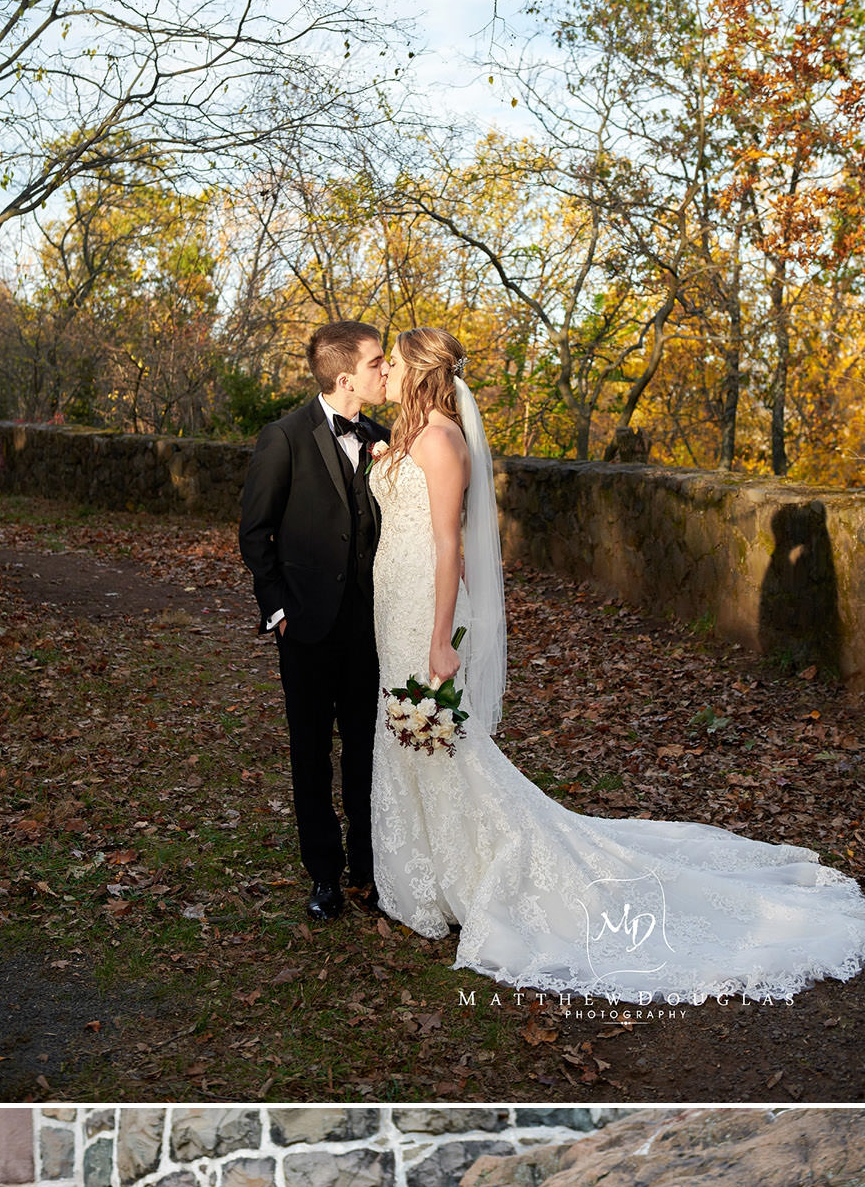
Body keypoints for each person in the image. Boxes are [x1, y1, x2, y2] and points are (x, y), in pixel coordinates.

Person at [370, 325, 865, 998]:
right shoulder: (405, 436)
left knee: (439, 740)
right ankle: (419, 877)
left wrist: (437, 639)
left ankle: (466, 876)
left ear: (421, 371)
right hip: (390, 603)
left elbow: (449, 545)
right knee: (406, 736)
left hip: (424, 610)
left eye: (395, 364)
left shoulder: (442, 440)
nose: (388, 374)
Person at [237, 320, 391, 921]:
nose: (387, 372)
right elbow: (255, 533)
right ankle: (324, 876)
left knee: (367, 751)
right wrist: (277, 610)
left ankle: (371, 869)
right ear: (346, 375)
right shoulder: (284, 438)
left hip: (373, 627)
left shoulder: (382, 437)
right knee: (310, 755)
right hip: (304, 626)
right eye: (379, 363)